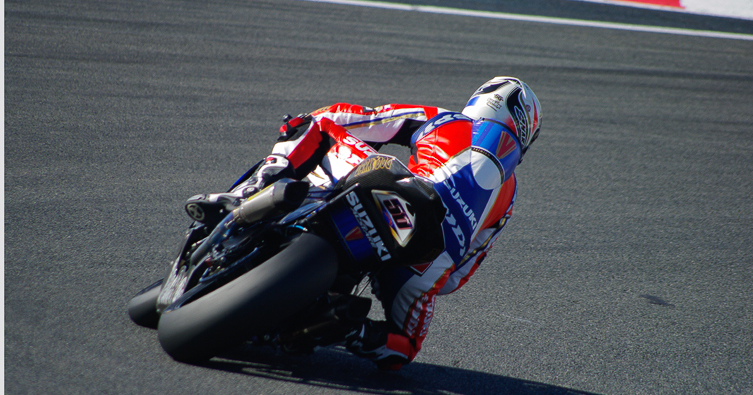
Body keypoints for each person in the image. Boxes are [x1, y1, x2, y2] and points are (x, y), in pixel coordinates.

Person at [185, 77, 541, 370]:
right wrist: (429, 276)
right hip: (429, 257)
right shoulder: (508, 198)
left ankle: (256, 187)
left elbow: (355, 118)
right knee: (405, 348)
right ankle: (347, 328)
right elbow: (461, 274)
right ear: (524, 129)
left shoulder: (447, 119)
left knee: (319, 124)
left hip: (392, 188)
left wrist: (300, 128)